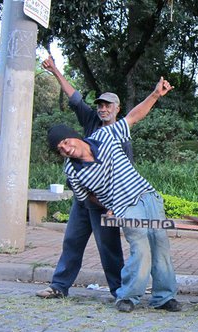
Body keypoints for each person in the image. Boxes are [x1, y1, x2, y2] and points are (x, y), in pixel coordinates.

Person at [47, 76, 180, 313]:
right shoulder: (72, 171)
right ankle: (127, 296)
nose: (66, 149)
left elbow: (134, 117)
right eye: (61, 150)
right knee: (140, 246)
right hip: (125, 206)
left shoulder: (105, 136)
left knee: (160, 243)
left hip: (147, 195)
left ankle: (163, 297)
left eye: (66, 142)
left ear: (75, 136)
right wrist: (110, 205)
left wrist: (156, 94)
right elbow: (85, 198)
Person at [36, 56, 131, 299]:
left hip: (104, 203)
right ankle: (59, 286)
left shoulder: (122, 136)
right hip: (82, 200)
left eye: (108, 105)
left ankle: (119, 291)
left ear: (117, 109)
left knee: (109, 248)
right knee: (72, 241)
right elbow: (74, 96)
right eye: (100, 105)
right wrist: (55, 70)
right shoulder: (90, 120)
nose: (103, 109)